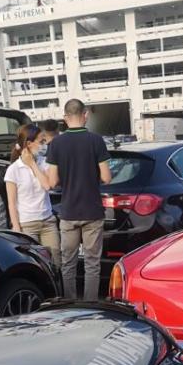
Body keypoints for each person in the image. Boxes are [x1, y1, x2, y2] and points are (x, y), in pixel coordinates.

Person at [45, 99, 111, 300]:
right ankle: (90, 305)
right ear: (86, 114)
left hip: (69, 212)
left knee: (68, 263)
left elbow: (52, 181)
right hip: (92, 211)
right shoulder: (96, 141)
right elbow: (106, 177)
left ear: (65, 118)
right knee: (92, 263)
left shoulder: (55, 143)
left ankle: (70, 304)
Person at [4, 123, 60, 268]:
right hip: (27, 225)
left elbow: (47, 185)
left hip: (48, 222)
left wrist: (33, 165)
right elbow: (11, 202)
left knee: (56, 263)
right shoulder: (13, 170)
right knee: (35, 266)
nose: (44, 145)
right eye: (41, 142)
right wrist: (16, 227)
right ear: (29, 144)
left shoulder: (44, 163)